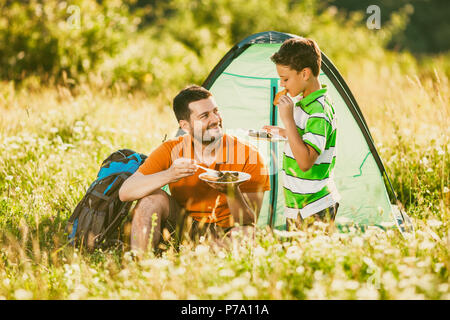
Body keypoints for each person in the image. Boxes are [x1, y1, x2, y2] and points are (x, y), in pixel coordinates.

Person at [119, 85, 270, 254]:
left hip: (226, 230)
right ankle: (139, 264)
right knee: (151, 200)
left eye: (216, 111)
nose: (215, 119)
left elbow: (248, 220)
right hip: (183, 225)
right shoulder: (171, 149)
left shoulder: (249, 156)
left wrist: (231, 192)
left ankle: (198, 259)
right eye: (205, 115)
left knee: (247, 233)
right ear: (185, 126)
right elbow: (126, 192)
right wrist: (169, 174)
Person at [263, 38, 340, 230]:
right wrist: (284, 132)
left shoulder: (319, 111)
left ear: (305, 73)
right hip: (298, 205)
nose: (282, 85)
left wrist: (288, 121)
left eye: (285, 79)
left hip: (314, 206)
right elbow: (305, 139)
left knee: (311, 258)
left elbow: (305, 162)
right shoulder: (303, 103)